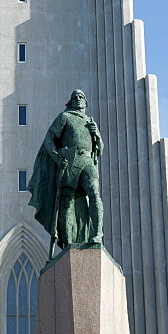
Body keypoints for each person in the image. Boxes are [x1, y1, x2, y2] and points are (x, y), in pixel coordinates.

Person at [27, 89, 104, 249]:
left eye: (81, 97)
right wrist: (57, 158)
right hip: (71, 161)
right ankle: (68, 242)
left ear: (85, 102)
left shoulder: (90, 122)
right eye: (74, 97)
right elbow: (49, 139)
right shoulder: (65, 117)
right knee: (67, 201)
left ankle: (97, 234)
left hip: (88, 161)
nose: (77, 99)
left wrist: (97, 135)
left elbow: (100, 150)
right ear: (71, 102)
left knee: (95, 194)